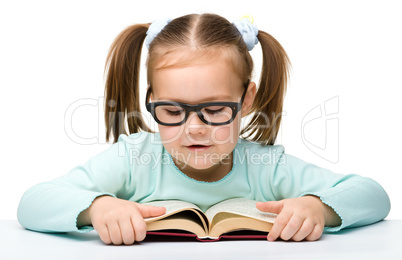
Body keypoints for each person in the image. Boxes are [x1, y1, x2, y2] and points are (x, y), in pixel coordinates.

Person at [17, 13, 390, 245]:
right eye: (171, 110)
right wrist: (97, 208)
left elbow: (374, 195)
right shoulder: (133, 159)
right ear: (151, 99)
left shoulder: (268, 167)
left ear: (246, 100)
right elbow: (32, 202)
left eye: (214, 109)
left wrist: (317, 207)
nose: (194, 129)